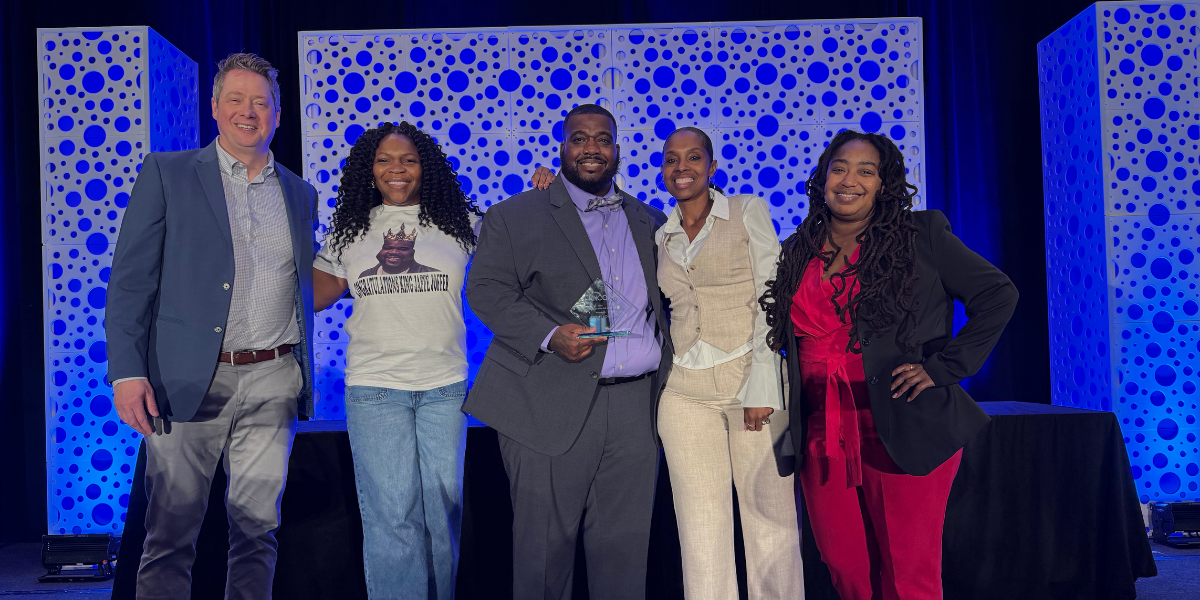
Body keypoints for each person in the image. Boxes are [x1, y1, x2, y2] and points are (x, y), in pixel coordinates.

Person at [759, 130, 1018, 600]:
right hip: (822, 429)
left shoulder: (921, 235)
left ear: (885, 182)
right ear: (822, 177)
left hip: (902, 419)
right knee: (845, 567)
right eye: (839, 168)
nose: (849, 180)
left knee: (907, 573)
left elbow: (998, 295)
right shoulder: (799, 248)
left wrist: (943, 368)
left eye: (866, 170)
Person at [106, 53, 317, 600]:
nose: (249, 112)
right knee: (171, 535)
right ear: (216, 107)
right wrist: (127, 373)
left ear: (276, 113)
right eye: (237, 100)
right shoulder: (167, 172)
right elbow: (131, 281)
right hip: (184, 383)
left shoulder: (299, 192)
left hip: (273, 376)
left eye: (261, 102)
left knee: (258, 532)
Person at [464, 104, 671, 599]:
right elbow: (487, 289)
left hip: (636, 409)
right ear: (562, 147)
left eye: (603, 139)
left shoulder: (653, 221)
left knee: (624, 558)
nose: (591, 148)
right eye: (580, 139)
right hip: (546, 398)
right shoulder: (515, 215)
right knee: (542, 557)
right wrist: (548, 334)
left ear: (618, 150)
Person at [313, 122, 481, 600]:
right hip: (375, 389)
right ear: (370, 170)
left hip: (445, 387)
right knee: (393, 517)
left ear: (425, 167)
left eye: (408, 160)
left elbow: (520, 248)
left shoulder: (460, 223)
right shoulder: (350, 231)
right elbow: (318, 294)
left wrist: (547, 194)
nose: (397, 169)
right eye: (385, 160)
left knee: (443, 516)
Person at [654, 127, 803, 599]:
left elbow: (774, 297)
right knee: (699, 533)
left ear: (712, 167)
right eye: (672, 159)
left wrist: (764, 385)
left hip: (751, 382)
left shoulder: (747, 210)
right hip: (684, 392)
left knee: (770, 523)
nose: (682, 167)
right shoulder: (662, 232)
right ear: (662, 171)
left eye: (693, 157)